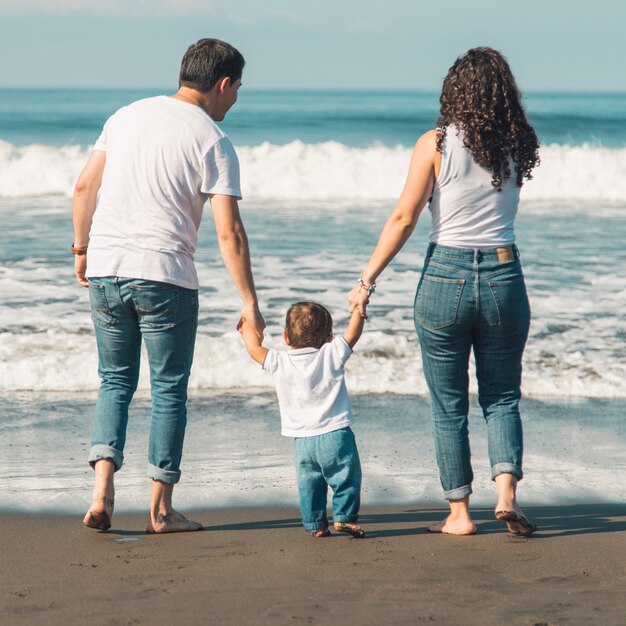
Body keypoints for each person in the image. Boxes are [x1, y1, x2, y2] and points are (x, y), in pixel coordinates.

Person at [72, 38, 265, 533]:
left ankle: (101, 492)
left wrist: (82, 249)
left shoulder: (126, 115)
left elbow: (84, 186)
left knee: (114, 379)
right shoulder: (213, 140)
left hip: (107, 268)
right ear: (223, 83)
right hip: (165, 277)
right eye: (238, 88)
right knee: (168, 389)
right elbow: (230, 232)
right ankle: (159, 510)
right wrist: (249, 301)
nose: (236, 99)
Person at [348, 48, 540, 536]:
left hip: (444, 278)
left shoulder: (435, 143)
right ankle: (507, 497)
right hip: (504, 275)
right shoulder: (518, 144)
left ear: (454, 90)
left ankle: (459, 514)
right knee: (502, 396)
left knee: (449, 403)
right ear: (505, 93)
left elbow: (404, 218)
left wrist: (366, 280)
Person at [239, 302, 366, 538]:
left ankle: (315, 524)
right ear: (329, 337)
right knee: (346, 479)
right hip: (335, 435)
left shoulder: (279, 361)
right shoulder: (332, 352)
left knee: (309, 484)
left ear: (286, 337)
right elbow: (353, 334)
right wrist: (360, 308)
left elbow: (253, 348)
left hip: (302, 441)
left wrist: (247, 323)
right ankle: (344, 517)